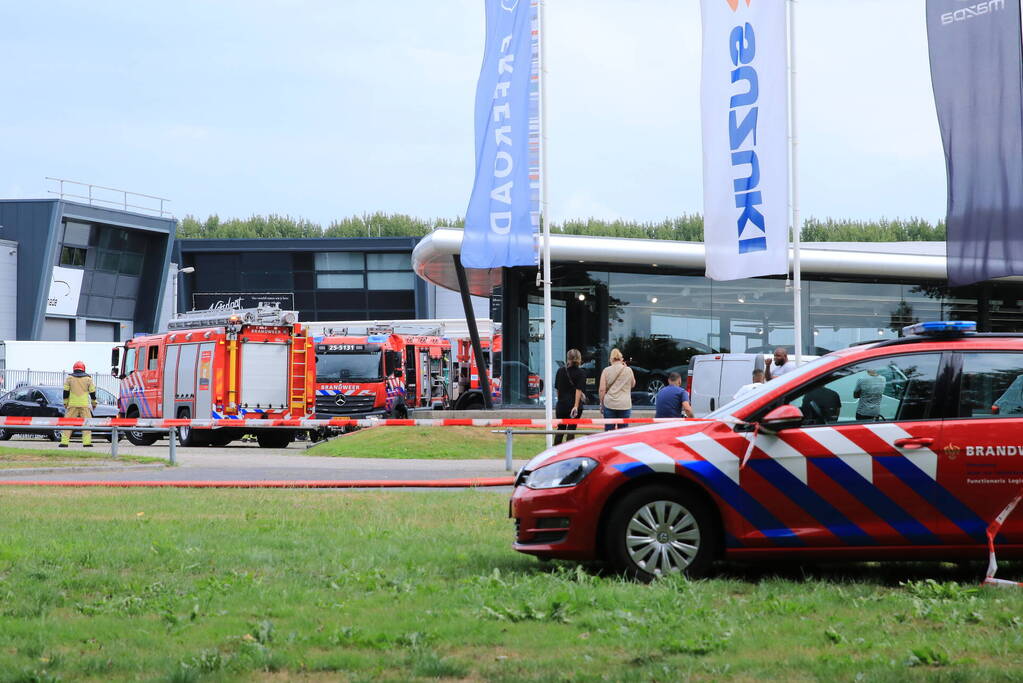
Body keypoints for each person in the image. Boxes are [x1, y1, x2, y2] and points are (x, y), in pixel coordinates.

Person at [554, 349, 586, 445]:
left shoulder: (560, 371)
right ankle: (569, 449)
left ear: (568, 358)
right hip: (574, 405)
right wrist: (575, 406)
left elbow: (557, 389)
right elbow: (578, 390)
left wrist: (560, 400)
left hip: (562, 405)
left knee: (561, 428)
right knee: (571, 429)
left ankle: (555, 450)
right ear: (579, 359)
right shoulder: (581, 373)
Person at [61, 360, 96, 448]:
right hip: (84, 405)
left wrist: (65, 403)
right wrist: (94, 403)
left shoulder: (69, 378)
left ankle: (64, 442)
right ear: (83, 369)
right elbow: (92, 392)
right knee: (87, 424)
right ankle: (87, 443)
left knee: (68, 423)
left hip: (72, 404)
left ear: (74, 369)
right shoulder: (88, 379)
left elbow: (65, 392)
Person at [599, 348, 636, 431]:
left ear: (611, 359)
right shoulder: (628, 370)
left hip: (609, 404)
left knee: (609, 431)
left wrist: (601, 403)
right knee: (623, 432)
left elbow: (602, 390)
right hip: (624, 405)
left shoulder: (606, 371)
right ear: (621, 358)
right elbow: (633, 384)